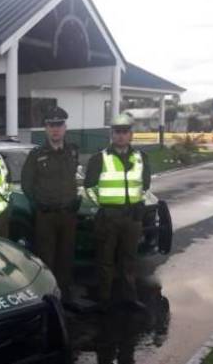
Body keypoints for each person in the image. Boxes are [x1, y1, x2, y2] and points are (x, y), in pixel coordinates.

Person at [84, 114, 152, 311]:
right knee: (105, 260)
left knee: (129, 259)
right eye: (117, 132)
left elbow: (145, 184)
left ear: (131, 135)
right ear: (111, 135)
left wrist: (136, 202)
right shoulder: (100, 158)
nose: (121, 136)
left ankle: (129, 297)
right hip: (109, 217)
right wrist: (105, 205)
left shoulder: (141, 158)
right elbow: (89, 187)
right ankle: (104, 299)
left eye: (125, 132)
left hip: (132, 217)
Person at [21, 106, 80, 302]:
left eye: (59, 125)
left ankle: (66, 296)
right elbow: (27, 185)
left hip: (68, 215)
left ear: (65, 127)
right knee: (46, 258)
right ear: (46, 129)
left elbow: (73, 179)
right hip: (45, 216)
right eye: (51, 125)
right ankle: (50, 298)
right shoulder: (36, 155)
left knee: (66, 257)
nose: (55, 129)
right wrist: (39, 204)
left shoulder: (72, 152)